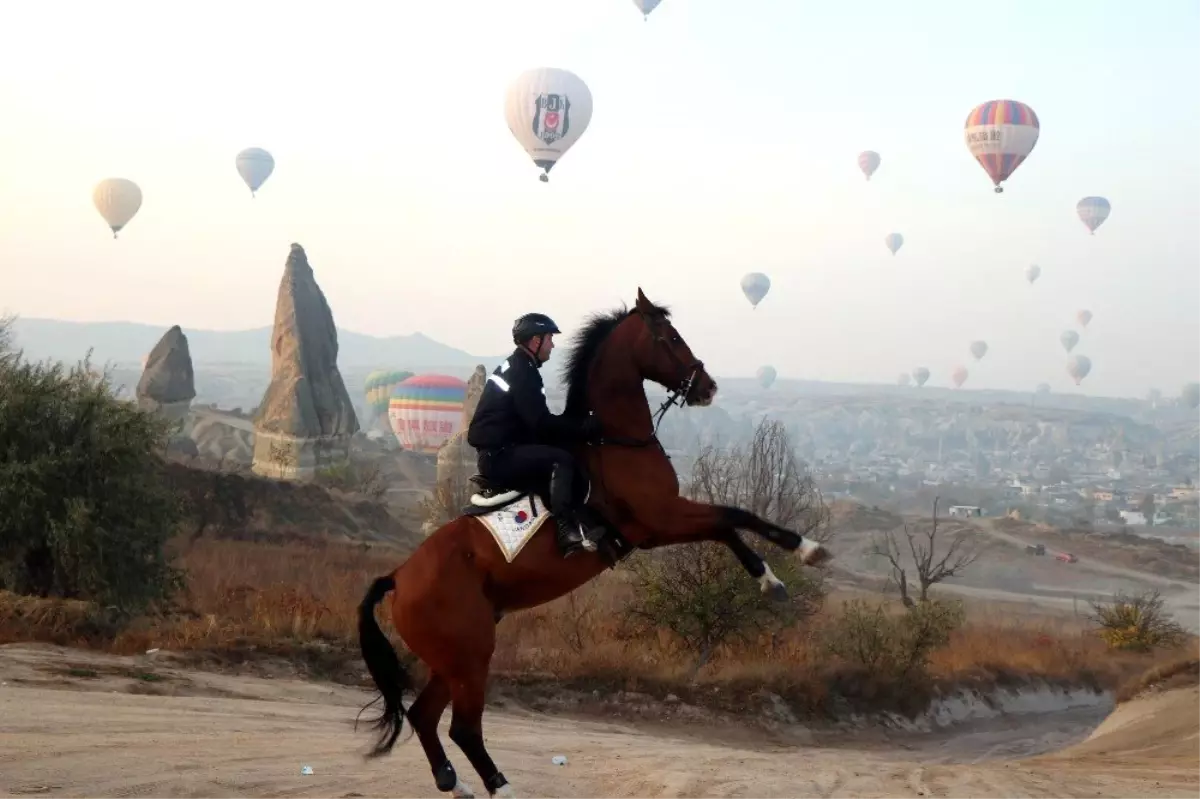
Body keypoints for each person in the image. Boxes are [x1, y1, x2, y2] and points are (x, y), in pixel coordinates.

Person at [467, 312, 603, 558]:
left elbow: (534, 423)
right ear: (534, 341)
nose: (552, 344)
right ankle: (566, 531)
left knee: (559, 452)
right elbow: (540, 422)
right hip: (500, 456)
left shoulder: (519, 365)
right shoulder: (523, 371)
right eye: (549, 338)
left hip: (503, 449)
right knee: (560, 460)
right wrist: (582, 427)